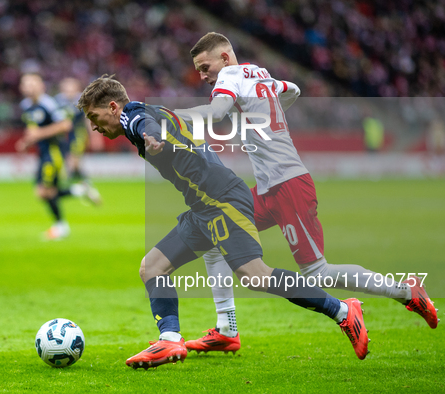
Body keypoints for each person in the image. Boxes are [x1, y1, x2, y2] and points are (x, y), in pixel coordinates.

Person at [78, 75, 370, 369]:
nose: (93, 126)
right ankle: (170, 339)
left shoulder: (133, 116)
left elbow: (145, 125)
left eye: (94, 116)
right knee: (152, 267)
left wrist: (153, 138)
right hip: (203, 206)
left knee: (255, 276)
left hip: (221, 200)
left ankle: (343, 311)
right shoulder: (152, 110)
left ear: (113, 107)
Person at [175, 32, 438, 354]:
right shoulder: (258, 74)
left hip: (289, 187)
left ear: (225, 58)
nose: (202, 75)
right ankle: (226, 329)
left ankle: (407, 292)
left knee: (318, 272)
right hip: (269, 189)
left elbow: (216, 114)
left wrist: (171, 117)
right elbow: (292, 89)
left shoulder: (229, 76)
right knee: (214, 234)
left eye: (205, 67)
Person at [16, 73, 99, 240]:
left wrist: (39, 135)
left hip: (54, 153)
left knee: (45, 191)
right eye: (26, 84)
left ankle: (60, 226)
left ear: (41, 86)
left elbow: (65, 125)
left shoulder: (49, 104)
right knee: (43, 192)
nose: (29, 87)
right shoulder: (25, 106)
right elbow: (33, 130)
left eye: (33, 83)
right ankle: (79, 190)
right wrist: (26, 142)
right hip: (43, 153)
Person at [55, 77, 104, 189]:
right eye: (66, 89)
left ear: (77, 89)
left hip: (78, 132)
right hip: (62, 132)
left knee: (74, 156)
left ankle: (69, 179)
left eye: (71, 88)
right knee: (68, 157)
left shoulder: (83, 101)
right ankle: (81, 176)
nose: (68, 91)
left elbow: (89, 119)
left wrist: (95, 136)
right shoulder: (57, 101)